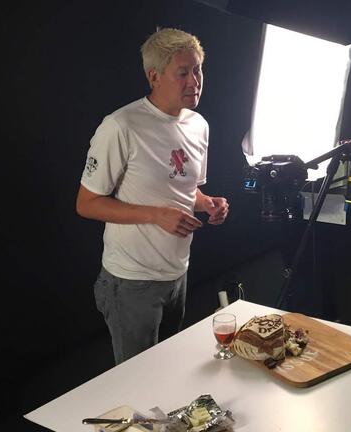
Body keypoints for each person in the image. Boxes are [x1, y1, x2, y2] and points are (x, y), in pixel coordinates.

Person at [76, 28, 229, 365]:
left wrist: (208, 204)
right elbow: (86, 204)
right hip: (132, 282)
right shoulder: (121, 126)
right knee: (137, 386)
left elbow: (184, 188)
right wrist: (156, 215)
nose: (194, 81)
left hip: (177, 275)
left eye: (198, 69)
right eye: (183, 73)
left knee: (167, 373)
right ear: (154, 76)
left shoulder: (198, 125)